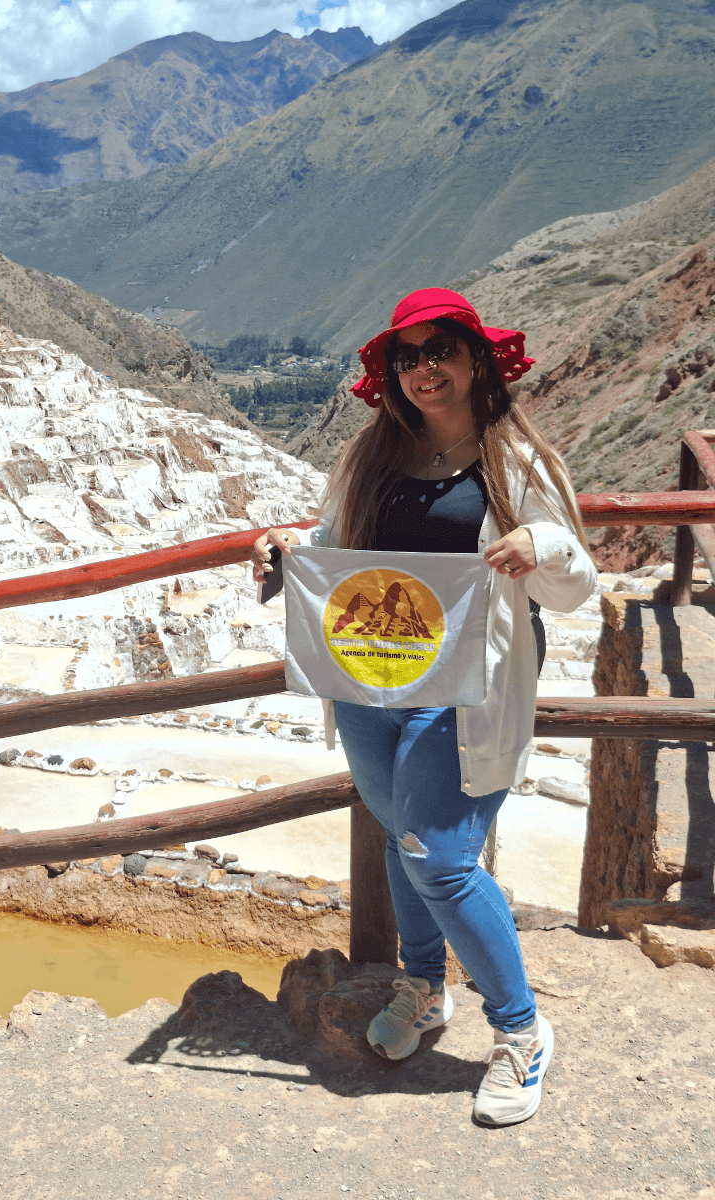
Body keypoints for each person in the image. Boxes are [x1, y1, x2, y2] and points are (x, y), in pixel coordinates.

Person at [250, 288, 595, 1127]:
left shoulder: (518, 463)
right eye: (406, 357)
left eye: (440, 349)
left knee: (438, 856)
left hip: (467, 688)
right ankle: (423, 985)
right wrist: (286, 551)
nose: (423, 370)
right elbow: (330, 548)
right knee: (402, 833)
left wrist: (537, 545)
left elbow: (576, 582)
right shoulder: (371, 457)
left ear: (478, 359)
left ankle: (520, 1031)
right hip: (372, 680)